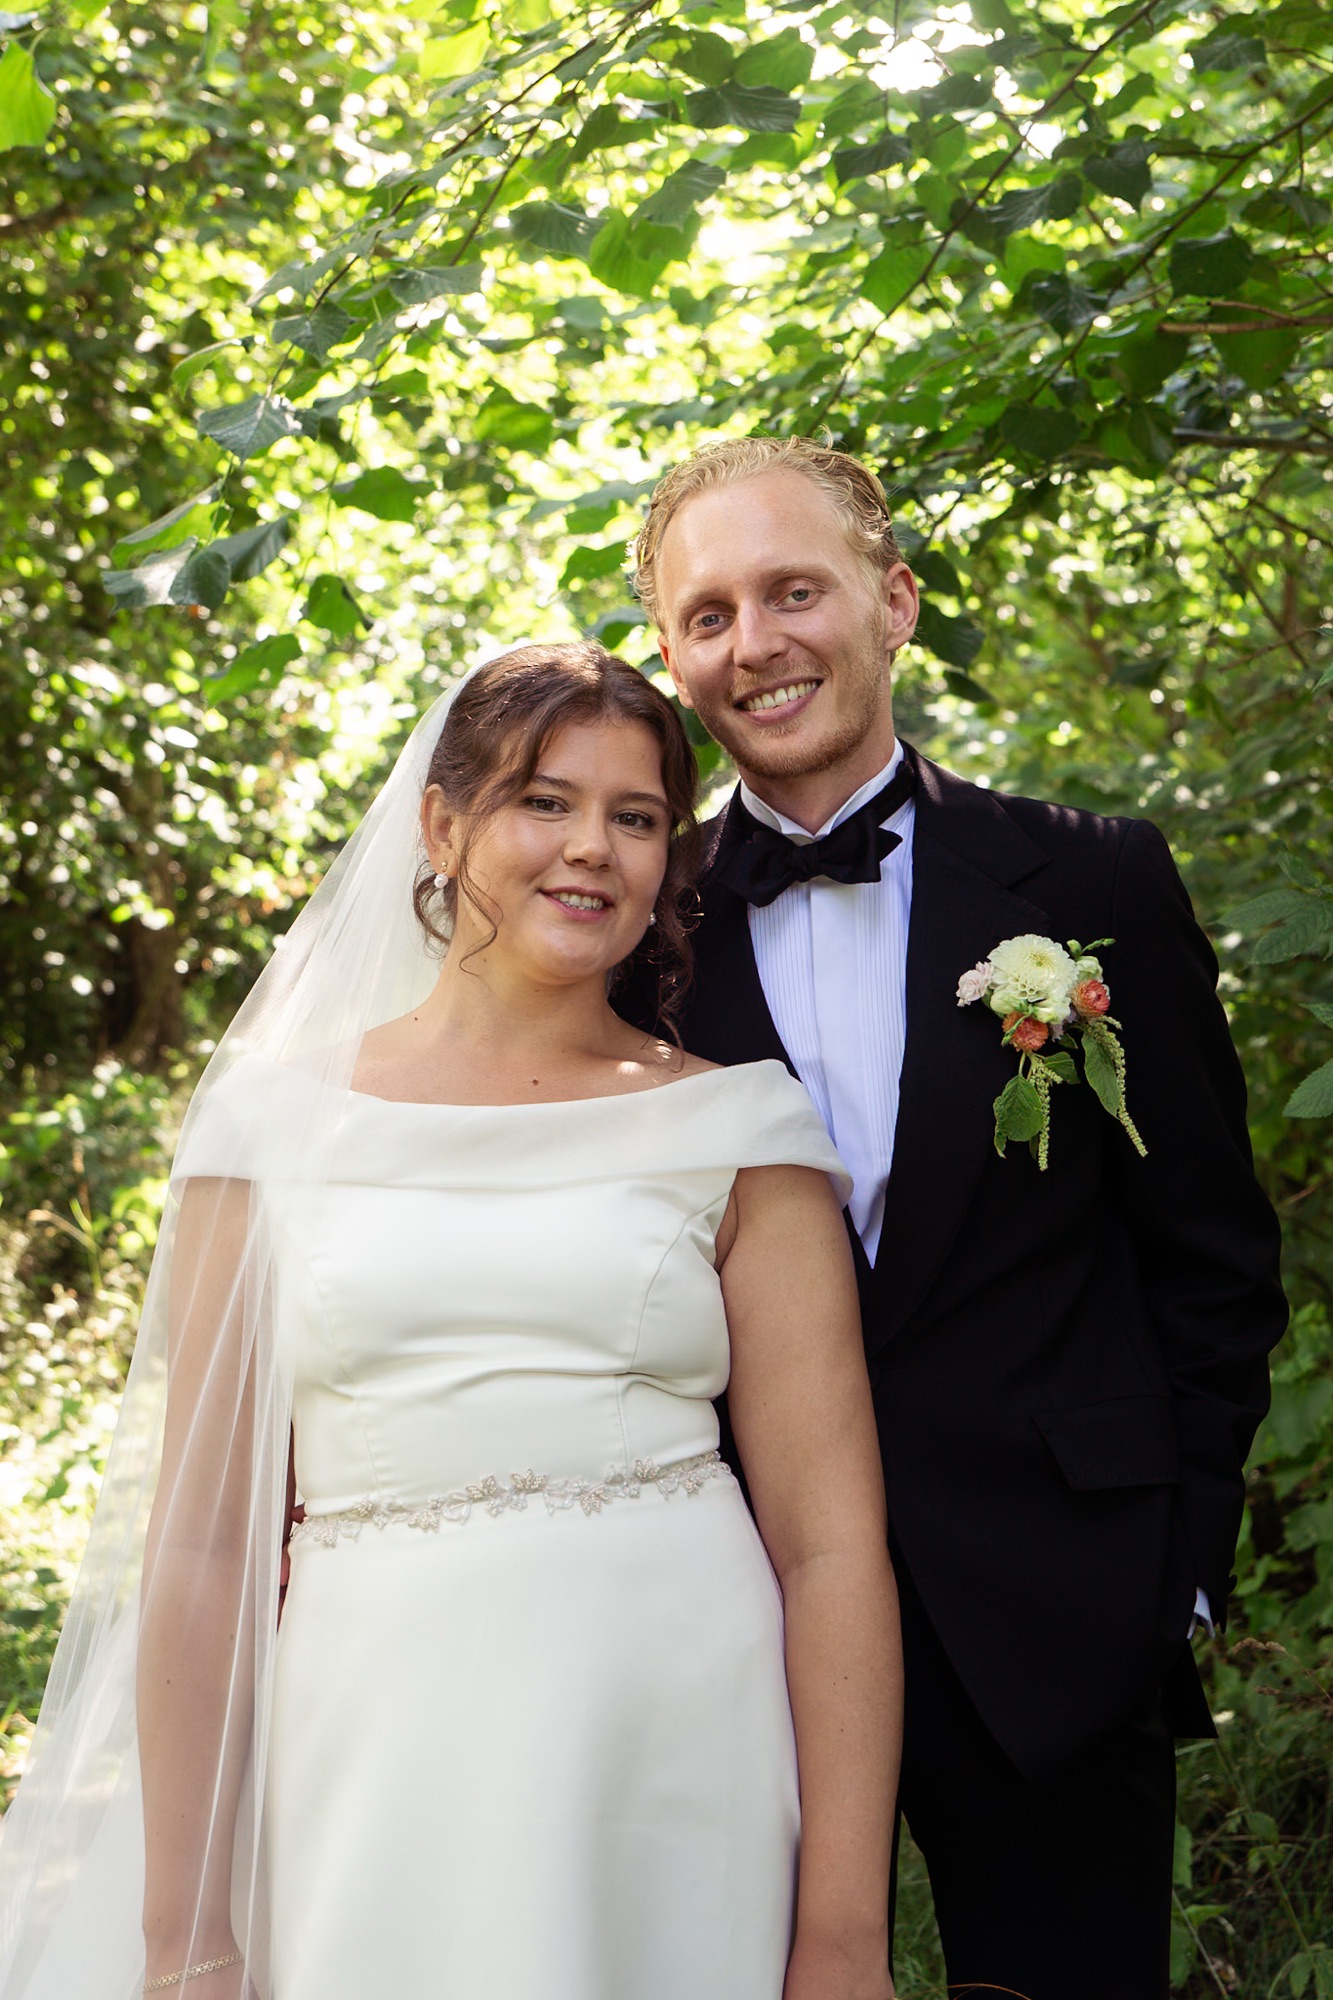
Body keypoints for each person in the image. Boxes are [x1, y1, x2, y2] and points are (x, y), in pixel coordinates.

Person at [0, 643, 902, 2000]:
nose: (590, 848)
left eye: (635, 816)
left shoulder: (741, 1127)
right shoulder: (269, 1127)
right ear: (439, 824)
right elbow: (202, 1549)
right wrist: (185, 1934)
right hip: (375, 1736)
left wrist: (841, 1937)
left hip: (676, 1745)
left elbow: (830, 1553)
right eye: (544, 800)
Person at [624, 436, 1288, 2000]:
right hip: (731, 1618)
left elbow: (1209, 1257)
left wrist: (1170, 1573)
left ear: (894, 602)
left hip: (1061, 1605)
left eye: (793, 591)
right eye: (707, 614)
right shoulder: (635, 922)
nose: (754, 643)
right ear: (670, 655)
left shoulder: (1091, 883)